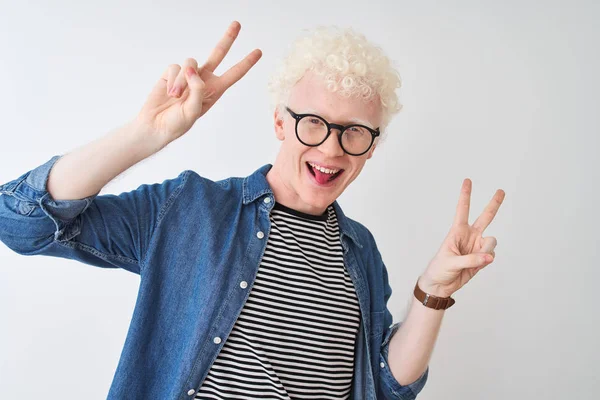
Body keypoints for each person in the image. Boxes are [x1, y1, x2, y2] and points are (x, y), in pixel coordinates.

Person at [0, 21, 504, 400]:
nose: (331, 149)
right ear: (281, 124)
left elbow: (388, 385)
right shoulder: (191, 209)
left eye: (354, 131)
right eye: (313, 123)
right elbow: (22, 223)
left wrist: (433, 292)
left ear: (371, 147)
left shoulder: (361, 252)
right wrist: (146, 135)